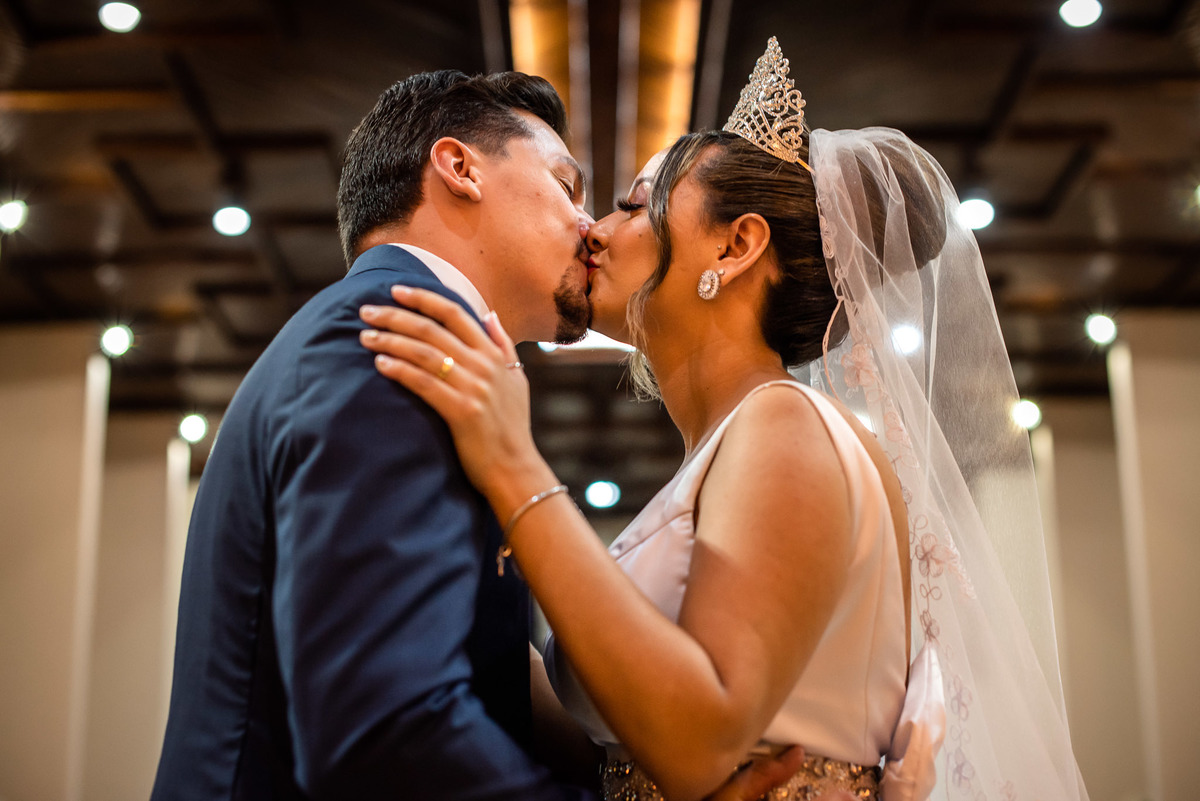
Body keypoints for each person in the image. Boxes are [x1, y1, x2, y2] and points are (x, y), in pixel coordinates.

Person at [359, 39, 1090, 801]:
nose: (593, 230)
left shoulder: (786, 425)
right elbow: (614, 740)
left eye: (633, 206)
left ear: (735, 246)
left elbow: (697, 741)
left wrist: (512, 463)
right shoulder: (737, 440)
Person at [150, 69, 801, 801]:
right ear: (460, 168)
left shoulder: (429, 353)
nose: (588, 226)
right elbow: (387, 733)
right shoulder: (390, 343)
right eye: (567, 185)